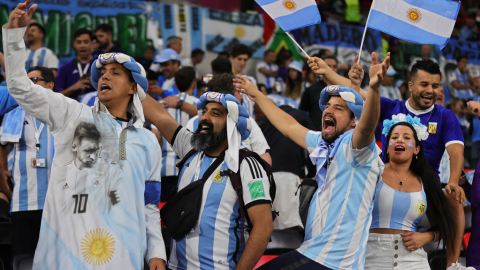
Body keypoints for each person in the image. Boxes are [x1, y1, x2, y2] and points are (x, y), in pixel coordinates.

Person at [4, 2, 166, 269]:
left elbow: (149, 204)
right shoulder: (73, 116)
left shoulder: (149, 140)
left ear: (133, 88)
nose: (105, 76)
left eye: (115, 73)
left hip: (127, 256)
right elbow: (20, 88)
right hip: (70, 255)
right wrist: (14, 38)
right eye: (102, 73)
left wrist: (157, 251)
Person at [236, 51, 388, 269]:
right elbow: (289, 126)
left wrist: (373, 88)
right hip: (313, 252)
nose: (328, 109)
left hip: (333, 261)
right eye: (327, 106)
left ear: (354, 121)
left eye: (338, 107)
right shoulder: (322, 142)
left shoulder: (356, 147)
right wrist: (257, 95)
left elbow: (368, 124)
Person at [345, 57, 467, 266]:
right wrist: (351, 81)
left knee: (454, 198)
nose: (431, 90)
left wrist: (453, 182)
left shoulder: (446, 116)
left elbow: (456, 152)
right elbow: (358, 96)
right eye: (425, 84)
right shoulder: (390, 106)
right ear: (411, 85)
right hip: (385, 184)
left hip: (427, 190)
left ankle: (453, 265)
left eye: (435, 85)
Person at [142, 90, 274, 269]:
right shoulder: (190, 149)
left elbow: (263, 227)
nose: (204, 117)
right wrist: (131, 83)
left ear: (231, 123)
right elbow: (159, 116)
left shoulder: (247, 165)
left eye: (215, 113)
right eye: (204, 111)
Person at [366, 114, 456, 269]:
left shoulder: (426, 182)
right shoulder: (372, 172)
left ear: (416, 149)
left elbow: (445, 226)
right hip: (371, 257)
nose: (400, 140)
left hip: (413, 261)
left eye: (406, 137)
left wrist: (427, 236)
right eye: (394, 137)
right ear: (387, 148)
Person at [0, 66, 55, 257]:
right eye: (27, 81)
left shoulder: (64, 113)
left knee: (53, 258)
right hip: (22, 200)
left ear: (50, 86)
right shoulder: (14, 112)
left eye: (35, 80)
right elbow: (1, 141)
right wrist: (3, 170)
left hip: (55, 201)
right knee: (24, 259)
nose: (30, 85)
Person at [185, 74, 272, 166]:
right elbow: (184, 158)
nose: (241, 97)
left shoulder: (247, 122)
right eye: (238, 93)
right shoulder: (194, 122)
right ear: (229, 96)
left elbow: (264, 155)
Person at [258, 104, 314, 231]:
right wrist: (311, 175)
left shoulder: (266, 120)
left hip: (263, 178)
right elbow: (314, 149)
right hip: (286, 175)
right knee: (288, 227)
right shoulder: (302, 116)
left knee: (269, 227)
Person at [151, 67, 199, 202]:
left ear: (175, 84)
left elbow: (155, 136)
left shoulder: (162, 104)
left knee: (165, 215)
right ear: (194, 84)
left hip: (165, 170)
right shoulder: (201, 106)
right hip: (193, 170)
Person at [299, 55, 339, 131]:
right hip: (315, 134)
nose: (332, 69)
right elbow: (302, 113)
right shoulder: (311, 90)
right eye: (328, 66)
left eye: (334, 66)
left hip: (338, 135)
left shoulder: (343, 90)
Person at [55, 28, 95, 101]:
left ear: (92, 44)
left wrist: (95, 84)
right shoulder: (65, 68)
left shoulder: (100, 65)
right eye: (79, 42)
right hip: (72, 110)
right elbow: (57, 97)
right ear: (74, 44)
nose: (82, 45)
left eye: (85, 42)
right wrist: (73, 88)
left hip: (95, 109)